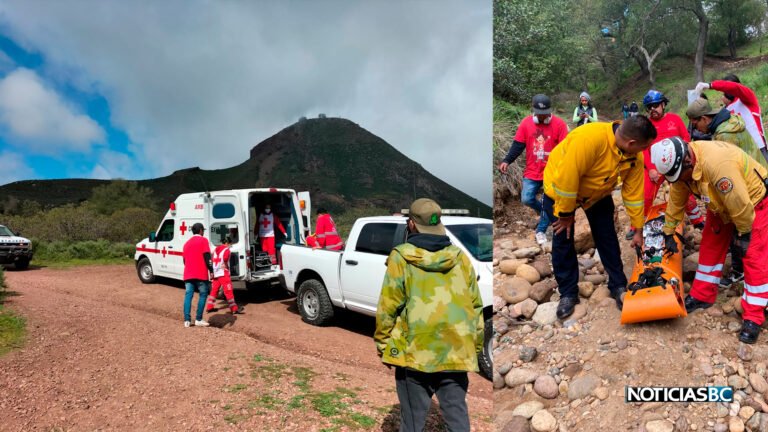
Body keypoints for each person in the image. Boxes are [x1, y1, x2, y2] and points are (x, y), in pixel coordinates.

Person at [375, 198, 483, 432]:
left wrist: (384, 346)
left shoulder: (401, 257)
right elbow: (476, 307)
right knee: (456, 416)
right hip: (456, 349)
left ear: (411, 224)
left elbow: (388, 306)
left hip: (415, 353)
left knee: (413, 421)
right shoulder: (460, 257)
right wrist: (472, 348)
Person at [652, 137, 768, 343]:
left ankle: (754, 316)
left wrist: (743, 234)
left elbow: (741, 205)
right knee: (710, 246)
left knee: (753, 256)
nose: (679, 180)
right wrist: (669, 232)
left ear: (688, 160)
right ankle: (702, 295)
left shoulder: (718, 165)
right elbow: (677, 200)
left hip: (753, 203)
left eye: (680, 176)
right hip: (720, 204)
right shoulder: (682, 174)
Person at [542, 116, 658, 319]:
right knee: (563, 239)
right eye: (644, 147)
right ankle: (568, 293)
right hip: (560, 191)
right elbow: (566, 179)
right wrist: (566, 213)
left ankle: (618, 285)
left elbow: (633, 196)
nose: (644, 152)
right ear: (632, 143)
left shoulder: (633, 157)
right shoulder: (588, 138)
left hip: (597, 194)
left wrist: (638, 229)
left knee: (607, 237)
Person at [687, 96, 768, 289]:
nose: (696, 128)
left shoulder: (723, 136)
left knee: (743, 235)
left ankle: (741, 273)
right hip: (758, 174)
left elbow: (729, 181)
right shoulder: (731, 121)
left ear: (705, 118)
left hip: (749, 188)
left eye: (696, 122)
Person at [626, 90, 704, 240]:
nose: (653, 109)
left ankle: (698, 220)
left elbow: (686, 139)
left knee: (685, 193)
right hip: (654, 166)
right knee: (645, 195)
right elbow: (642, 149)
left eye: (656, 105)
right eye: (649, 107)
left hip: (676, 164)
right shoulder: (645, 125)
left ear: (663, 104)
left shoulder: (674, 119)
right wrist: (651, 169)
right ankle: (636, 226)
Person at [499, 94, 569, 245]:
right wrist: (507, 160)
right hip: (533, 170)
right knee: (527, 198)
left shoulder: (560, 125)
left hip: (552, 172)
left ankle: (541, 230)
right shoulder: (526, 124)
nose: (543, 117)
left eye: (546, 114)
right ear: (534, 111)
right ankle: (547, 214)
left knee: (548, 201)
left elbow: (566, 149)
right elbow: (518, 145)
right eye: (540, 114)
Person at [695, 74, 767, 160]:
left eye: (727, 88)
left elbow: (735, 87)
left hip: (758, 148)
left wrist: (710, 85)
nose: (727, 91)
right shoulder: (726, 110)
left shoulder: (747, 98)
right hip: (740, 154)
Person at [182, 222, 212, 328]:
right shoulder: (203, 241)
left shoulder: (186, 243)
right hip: (201, 274)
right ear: (200, 230)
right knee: (203, 295)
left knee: (188, 295)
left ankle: (187, 321)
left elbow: (184, 261)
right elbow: (207, 257)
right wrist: (211, 270)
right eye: (203, 230)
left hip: (188, 274)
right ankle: (198, 319)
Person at [205, 235, 241, 315]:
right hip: (223, 272)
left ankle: (209, 307)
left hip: (216, 272)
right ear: (227, 243)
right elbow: (225, 259)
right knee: (228, 290)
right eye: (230, 244)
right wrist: (227, 266)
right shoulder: (227, 250)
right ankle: (234, 308)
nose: (230, 245)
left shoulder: (215, 249)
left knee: (214, 290)